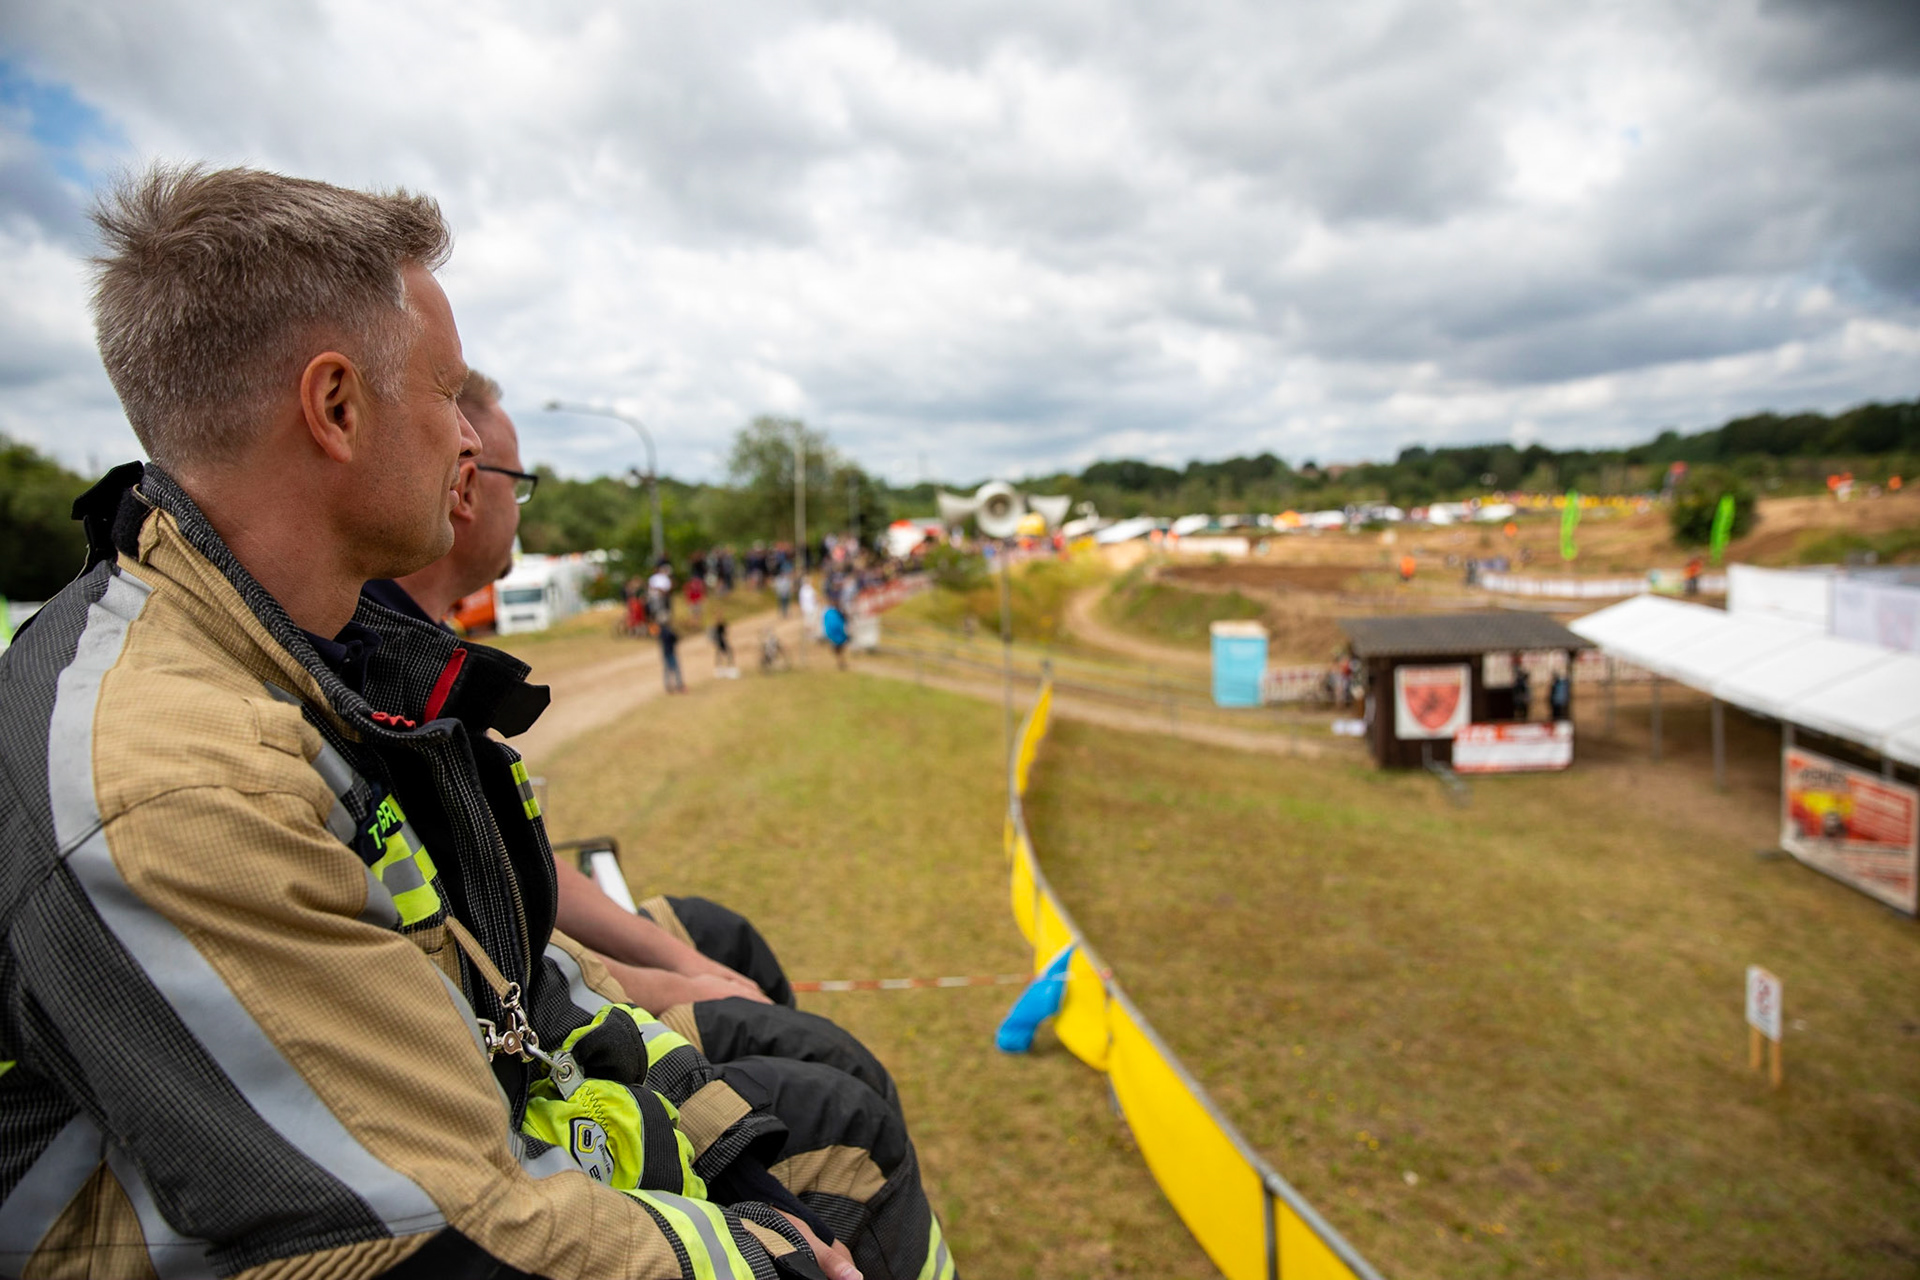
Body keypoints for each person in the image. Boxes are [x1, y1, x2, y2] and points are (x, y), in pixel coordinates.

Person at [0, 163, 956, 1280]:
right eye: (448, 394)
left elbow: (490, 984)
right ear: (337, 406)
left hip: (457, 1146)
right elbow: (433, 1238)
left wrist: (724, 1144)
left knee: (821, 1129)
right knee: (843, 1173)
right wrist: (764, 1257)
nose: (470, 442)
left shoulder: (285, 650)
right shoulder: (183, 780)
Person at [660, 613, 687, 693]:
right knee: (676, 669)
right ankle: (679, 685)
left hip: (665, 653)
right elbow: (676, 637)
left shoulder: (661, 632)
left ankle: (668, 686)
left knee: (667, 670)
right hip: (670, 653)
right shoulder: (668, 631)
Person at [823, 601, 850, 671]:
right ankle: (841, 661)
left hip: (836, 634)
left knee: (838, 649)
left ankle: (840, 661)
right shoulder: (833, 613)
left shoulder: (829, 612)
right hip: (838, 634)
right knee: (839, 648)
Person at [713, 609, 738, 677]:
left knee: (725, 655)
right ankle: (722, 669)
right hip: (721, 641)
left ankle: (727, 668)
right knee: (723, 655)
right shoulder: (717, 625)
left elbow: (726, 631)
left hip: (722, 641)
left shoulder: (721, 625)